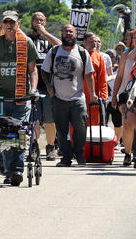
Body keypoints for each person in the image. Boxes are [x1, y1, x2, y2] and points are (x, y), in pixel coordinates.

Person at [0, 10, 40, 186]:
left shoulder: (26, 43)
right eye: (6, 22)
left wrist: (34, 90)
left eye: (12, 22)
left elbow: (33, 70)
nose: (9, 25)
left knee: (19, 131)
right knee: (3, 133)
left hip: (21, 97)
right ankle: (8, 169)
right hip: (0, 98)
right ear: (1, 25)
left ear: (18, 24)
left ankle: (16, 170)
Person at [42, 24, 95, 167]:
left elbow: (89, 75)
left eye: (71, 31)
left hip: (78, 98)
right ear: (62, 34)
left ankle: (79, 152)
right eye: (65, 31)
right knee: (61, 130)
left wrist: (93, 94)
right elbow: (44, 71)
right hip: (58, 98)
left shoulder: (82, 53)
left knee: (81, 127)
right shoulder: (54, 52)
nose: (68, 34)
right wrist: (48, 85)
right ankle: (66, 157)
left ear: (76, 34)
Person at [28, 11, 61, 161]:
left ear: (45, 22)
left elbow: (60, 45)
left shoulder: (49, 38)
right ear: (31, 22)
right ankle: (34, 146)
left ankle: (51, 146)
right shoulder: (28, 38)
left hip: (48, 84)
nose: (38, 22)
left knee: (50, 119)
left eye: (41, 20)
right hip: (32, 84)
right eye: (36, 20)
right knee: (34, 119)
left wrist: (44, 32)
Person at [112, 27, 136, 167]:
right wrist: (114, 95)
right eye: (135, 38)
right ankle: (127, 154)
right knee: (127, 124)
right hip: (126, 92)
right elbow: (119, 76)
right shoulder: (126, 54)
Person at [82, 33, 110, 126]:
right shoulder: (78, 53)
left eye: (95, 41)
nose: (94, 43)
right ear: (84, 42)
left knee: (94, 124)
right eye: (91, 41)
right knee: (78, 123)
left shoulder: (98, 57)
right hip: (78, 94)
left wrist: (103, 95)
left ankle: (92, 141)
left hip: (93, 97)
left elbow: (102, 78)